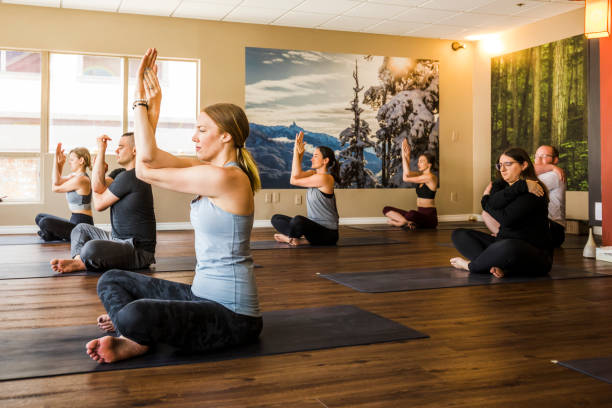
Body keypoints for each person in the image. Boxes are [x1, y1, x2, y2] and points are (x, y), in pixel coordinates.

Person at [86, 48, 262, 364]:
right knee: (111, 279)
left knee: (136, 314)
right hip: (200, 296)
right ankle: (133, 331)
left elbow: (143, 170)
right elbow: (149, 156)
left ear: (225, 136)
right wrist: (151, 107)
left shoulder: (228, 179)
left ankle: (133, 335)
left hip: (233, 316)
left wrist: (142, 102)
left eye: (202, 129)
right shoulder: (209, 171)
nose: (194, 136)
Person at [50, 132, 156, 273]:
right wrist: (101, 151)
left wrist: (96, 171)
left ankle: (83, 260)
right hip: (117, 239)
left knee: (90, 248)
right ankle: (79, 261)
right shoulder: (120, 173)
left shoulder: (133, 176)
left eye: (121, 147)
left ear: (135, 150)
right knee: (80, 229)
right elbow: (100, 185)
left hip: (138, 250)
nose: (116, 150)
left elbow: (99, 204)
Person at [450, 147, 553, 278]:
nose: (503, 169)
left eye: (508, 164)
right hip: (503, 244)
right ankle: (495, 266)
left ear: (524, 165)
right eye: (500, 165)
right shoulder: (504, 186)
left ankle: (472, 266)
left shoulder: (535, 190)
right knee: (460, 235)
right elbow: (493, 203)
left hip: (533, 255)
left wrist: (485, 203)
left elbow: (505, 219)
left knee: (508, 246)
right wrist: (521, 185)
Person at [270, 131, 339, 246]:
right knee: (276, 218)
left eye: (315, 156)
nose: (311, 159)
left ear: (325, 161)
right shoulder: (312, 173)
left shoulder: (326, 178)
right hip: (313, 228)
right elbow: (296, 176)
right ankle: (300, 238)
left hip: (328, 233)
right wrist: (297, 152)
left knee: (298, 220)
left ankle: (291, 239)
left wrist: (296, 154)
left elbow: (293, 180)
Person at [35, 143, 93, 241]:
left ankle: (52, 235)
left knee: (44, 222)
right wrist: (59, 164)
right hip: (74, 219)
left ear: (81, 160)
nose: (69, 162)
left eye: (72, 160)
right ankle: (52, 235)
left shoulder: (82, 180)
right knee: (39, 217)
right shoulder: (74, 176)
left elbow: (54, 188)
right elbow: (57, 181)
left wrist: (55, 161)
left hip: (82, 225)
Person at [382, 138, 438, 230]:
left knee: (411, 214)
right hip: (419, 215)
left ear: (429, 164)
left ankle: (401, 222)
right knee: (386, 209)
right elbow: (407, 174)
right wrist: (407, 155)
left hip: (429, 218)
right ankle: (406, 222)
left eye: (422, 161)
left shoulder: (430, 178)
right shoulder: (420, 175)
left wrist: (403, 156)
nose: (418, 163)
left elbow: (405, 178)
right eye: (418, 161)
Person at [534, 145, 566, 247]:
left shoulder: (555, 174)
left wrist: (552, 168)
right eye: (536, 156)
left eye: (544, 156)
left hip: (553, 229)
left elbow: (524, 170)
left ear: (555, 160)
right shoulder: (539, 175)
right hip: (541, 226)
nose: (538, 159)